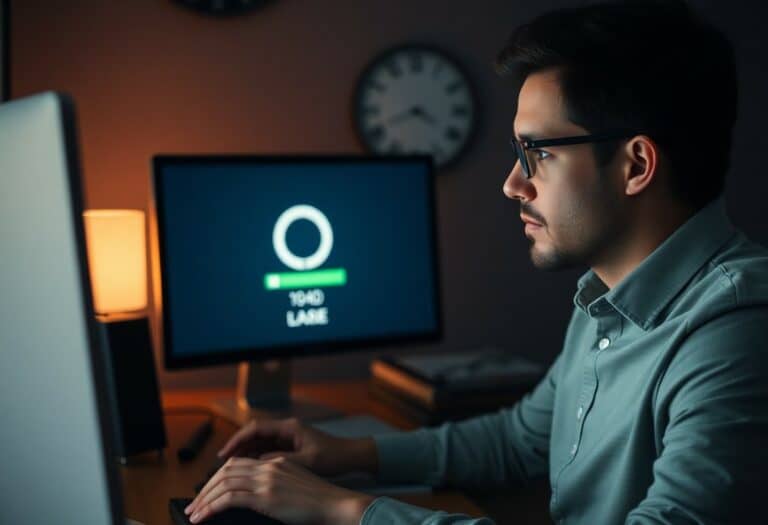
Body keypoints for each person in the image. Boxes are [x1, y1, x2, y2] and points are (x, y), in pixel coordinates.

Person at [184, 0, 768, 523]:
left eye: (535, 152)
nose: (513, 184)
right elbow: (520, 440)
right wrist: (349, 455)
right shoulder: (605, 296)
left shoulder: (736, 331)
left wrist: (344, 509)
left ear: (636, 165)